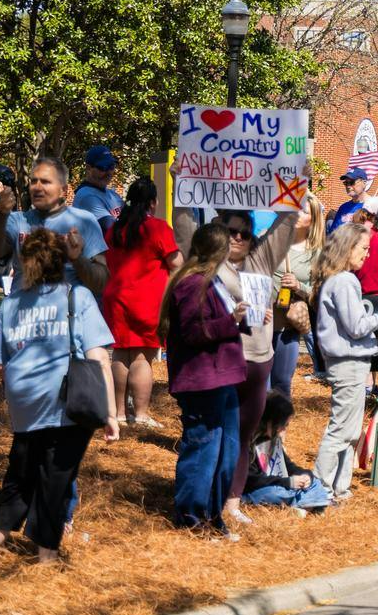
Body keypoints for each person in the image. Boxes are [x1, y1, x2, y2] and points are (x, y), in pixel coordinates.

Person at [0, 229, 116, 563]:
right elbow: (99, 357)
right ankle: (46, 553)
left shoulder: (11, 303)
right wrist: (111, 413)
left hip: (25, 403)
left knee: (21, 472)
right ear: (62, 261)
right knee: (56, 478)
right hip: (67, 401)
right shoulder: (77, 296)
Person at [309, 223, 378, 498]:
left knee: (352, 430)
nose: (367, 255)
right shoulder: (344, 281)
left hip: (351, 361)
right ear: (348, 247)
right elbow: (356, 327)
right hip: (346, 362)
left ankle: (339, 487)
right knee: (341, 429)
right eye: (364, 249)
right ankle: (318, 488)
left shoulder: (340, 279)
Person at [214, 206, 298, 522]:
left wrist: (294, 188)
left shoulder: (260, 263)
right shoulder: (211, 264)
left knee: (244, 436)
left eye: (244, 233)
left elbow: (285, 225)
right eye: (231, 231)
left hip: (258, 362)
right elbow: (182, 231)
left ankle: (232, 503)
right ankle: (211, 496)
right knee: (218, 433)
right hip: (223, 361)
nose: (238, 238)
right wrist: (178, 180)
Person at [162, 223, 247, 531]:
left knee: (226, 451)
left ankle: (212, 515)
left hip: (222, 377)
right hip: (201, 381)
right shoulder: (190, 284)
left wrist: (240, 319)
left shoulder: (210, 283)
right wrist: (230, 321)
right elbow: (193, 332)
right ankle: (191, 517)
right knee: (203, 449)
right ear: (220, 251)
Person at [101, 177, 180, 430]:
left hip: (117, 297)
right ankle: (142, 415)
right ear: (153, 202)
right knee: (142, 357)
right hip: (147, 300)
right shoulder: (158, 228)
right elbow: (177, 264)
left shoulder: (115, 228)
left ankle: (120, 414)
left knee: (121, 354)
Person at [0, 158, 109, 295]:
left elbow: (101, 282)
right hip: (21, 312)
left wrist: (77, 259)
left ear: (63, 190)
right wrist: (1, 213)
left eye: (46, 182)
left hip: (66, 314)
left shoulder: (84, 221)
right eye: (33, 181)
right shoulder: (17, 220)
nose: (37, 187)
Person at [272, 189, 328, 397]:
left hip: (288, 324)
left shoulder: (317, 253)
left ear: (313, 220)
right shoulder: (272, 240)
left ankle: (277, 428)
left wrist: (298, 286)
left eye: (304, 212)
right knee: (260, 383)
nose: (297, 214)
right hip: (263, 320)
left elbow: (319, 295)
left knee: (281, 382)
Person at [70, 145, 123, 229]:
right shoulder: (87, 196)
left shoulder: (112, 194)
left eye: (111, 166)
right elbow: (112, 230)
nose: (109, 172)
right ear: (88, 168)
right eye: (103, 167)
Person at [329, 167, 371, 231]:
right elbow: (333, 233)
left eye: (352, 182)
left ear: (364, 183)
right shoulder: (343, 207)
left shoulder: (372, 206)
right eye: (346, 183)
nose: (348, 186)